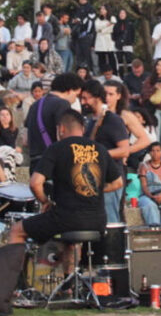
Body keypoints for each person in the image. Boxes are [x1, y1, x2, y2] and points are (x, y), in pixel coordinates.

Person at [8, 110, 120, 274]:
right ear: (82, 129)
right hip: (97, 220)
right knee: (71, 242)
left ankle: (12, 285)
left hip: (66, 217)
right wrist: (91, 189)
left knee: (17, 230)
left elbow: (35, 183)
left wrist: (45, 201)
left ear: (60, 129)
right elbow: (118, 182)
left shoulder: (57, 148)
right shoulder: (100, 149)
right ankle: (70, 287)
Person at [80, 80, 130, 223]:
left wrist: (98, 154)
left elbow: (124, 150)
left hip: (112, 180)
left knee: (111, 223)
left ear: (97, 97)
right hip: (94, 179)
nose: (83, 102)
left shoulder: (113, 120)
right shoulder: (91, 121)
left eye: (86, 98)